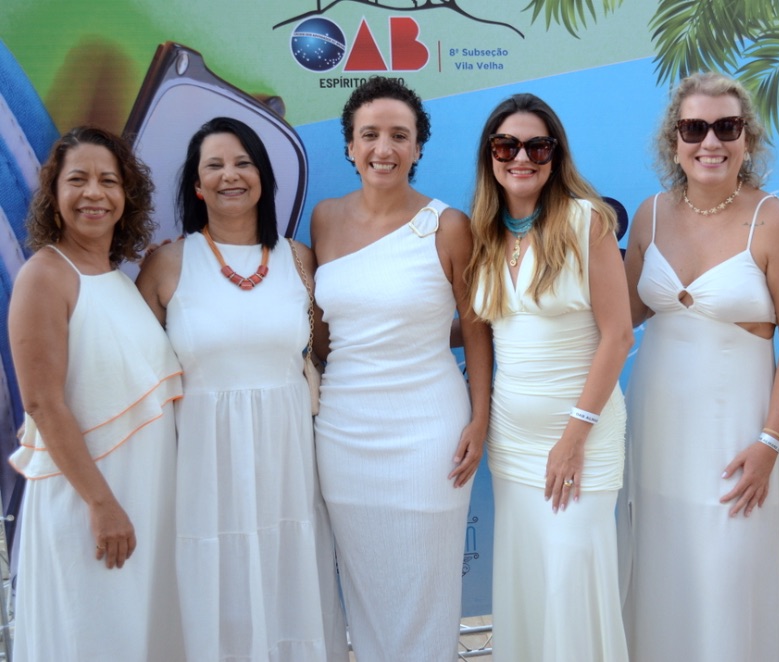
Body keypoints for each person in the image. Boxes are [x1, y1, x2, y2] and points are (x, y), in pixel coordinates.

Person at [618, 72, 779, 661]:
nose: (710, 142)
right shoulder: (650, 214)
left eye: (727, 127)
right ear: (673, 141)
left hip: (739, 440)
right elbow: (622, 317)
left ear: (747, 139)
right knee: (663, 573)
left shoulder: (775, 222)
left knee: (728, 582)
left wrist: (770, 443)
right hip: (658, 433)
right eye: (694, 128)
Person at [137, 117, 348, 661]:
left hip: (287, 461)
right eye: (214, 165)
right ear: (196, 185)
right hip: (202, 466)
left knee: (288, 585)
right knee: (216, 587)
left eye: (243, 163)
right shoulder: (166, 264)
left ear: (263, 178)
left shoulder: (300, 260)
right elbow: (135, 371)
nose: (229, 175)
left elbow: (330, 349)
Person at [309, 76, 492, 662]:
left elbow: (477, 327)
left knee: (425, 587)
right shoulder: (324, 220)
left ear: (417, 147)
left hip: (428, 430)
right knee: (365, 586)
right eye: (369, 135)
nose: (382, 148)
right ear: (349, 145)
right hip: (343, 431)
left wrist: (480, 419)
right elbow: (322, 331)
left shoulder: (448, 226)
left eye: (398, 135)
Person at [467, 92, 633, 661]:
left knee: (570, 582)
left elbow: (619, 336)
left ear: (555, 155)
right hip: (512, 445)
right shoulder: (485, 233)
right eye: (506, 146)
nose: (522, 158)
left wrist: (573, 436)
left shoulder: (587, 222)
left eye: (537, 146)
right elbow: (482, 332)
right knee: (529, 585)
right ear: (490, 155)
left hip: (581, 441)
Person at [8, 126, 183, 660]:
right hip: (91, 504)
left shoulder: (122, 279)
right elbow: (42, 403)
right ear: (53, 193)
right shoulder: (45, 275)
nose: (93, 193)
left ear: (126, 195)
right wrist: (102, 504)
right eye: (77, 179)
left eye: (109, 180)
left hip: (146, 497)